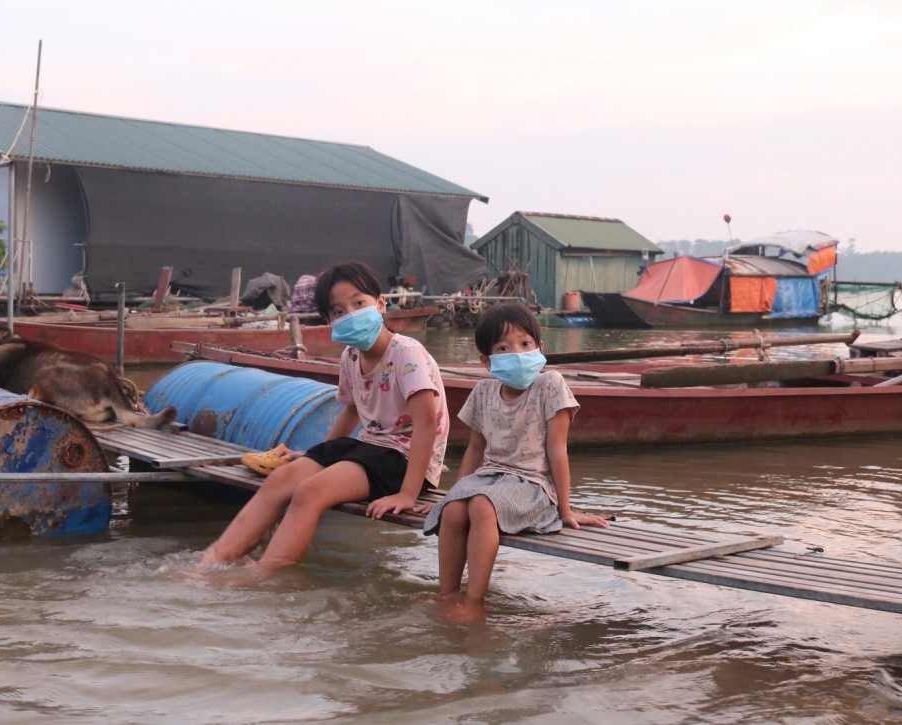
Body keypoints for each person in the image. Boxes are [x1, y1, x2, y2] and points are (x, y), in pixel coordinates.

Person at [200, 261, 449, 579]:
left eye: (359, 303)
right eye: (338, 311)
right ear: (328, 319)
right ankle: (213, 561)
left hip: (405, 459)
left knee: (310, 491)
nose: (351, 314)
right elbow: (351, 410)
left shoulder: (406, 353)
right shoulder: (351, 356)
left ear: (381, 303)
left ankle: (265, 575)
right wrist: (320, 455)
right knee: (280, 479)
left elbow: (427, 425)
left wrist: (408, 494)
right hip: (370, 448)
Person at [421, 302, 607, 618]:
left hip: (532, 484)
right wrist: (454, 493)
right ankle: (447, 594)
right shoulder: (483, 391)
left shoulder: (550, 385)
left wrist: (565, 509)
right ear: (486, 360)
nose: (517, 354)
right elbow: (475, 450)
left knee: (481, 505)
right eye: (504, 348)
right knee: (453, 510)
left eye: (525, 344)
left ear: (540, 348)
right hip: (489, 479)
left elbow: (557, 451)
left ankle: (473, 603)